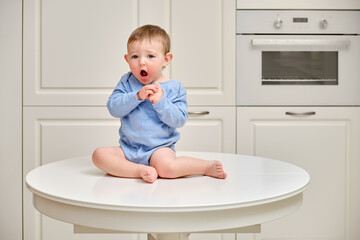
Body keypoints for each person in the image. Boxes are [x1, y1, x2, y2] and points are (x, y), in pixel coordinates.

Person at [92, 24, 227, 183]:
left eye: (150, 56)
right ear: (127, 59)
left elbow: (179, 120)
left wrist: (161, 101)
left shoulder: (174, 87)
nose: (142, 62)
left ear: (166, 60)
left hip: (159, 149)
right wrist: (136, 97)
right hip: (129, 149)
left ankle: (205, 167)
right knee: (99, 155)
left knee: (167, 168)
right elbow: (113, 108)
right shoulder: (127, 82)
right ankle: (139, 170)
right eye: (135, 57)